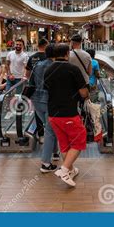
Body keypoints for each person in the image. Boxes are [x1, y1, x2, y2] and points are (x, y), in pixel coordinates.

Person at [44, 44, 89, 187]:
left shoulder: (48, 70)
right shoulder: (73, 69)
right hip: (69, 113)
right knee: (79, 140)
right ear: (67, 54)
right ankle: (63, 169)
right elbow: (83, 92)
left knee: (64, 144)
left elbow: (48, 88)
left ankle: (71, 170)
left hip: (52, 114)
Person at [29, 44, 59, 172]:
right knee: (50, 131)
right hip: (49, 101)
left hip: (36, 100)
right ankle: (45, 163)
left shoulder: (37, 65)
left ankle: (55, 152)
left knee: (49, 127)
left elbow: (31, 83)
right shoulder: (55, 66)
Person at [25, 38, 48, 143]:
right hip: (48, 89)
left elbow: (27, 75)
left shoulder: (32, 58)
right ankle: (51, 133)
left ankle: (41, 135)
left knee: (38, 112)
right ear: (46, 45)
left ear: (38, 45)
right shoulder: (49, 57)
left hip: (35, 89)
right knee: (49, 111)